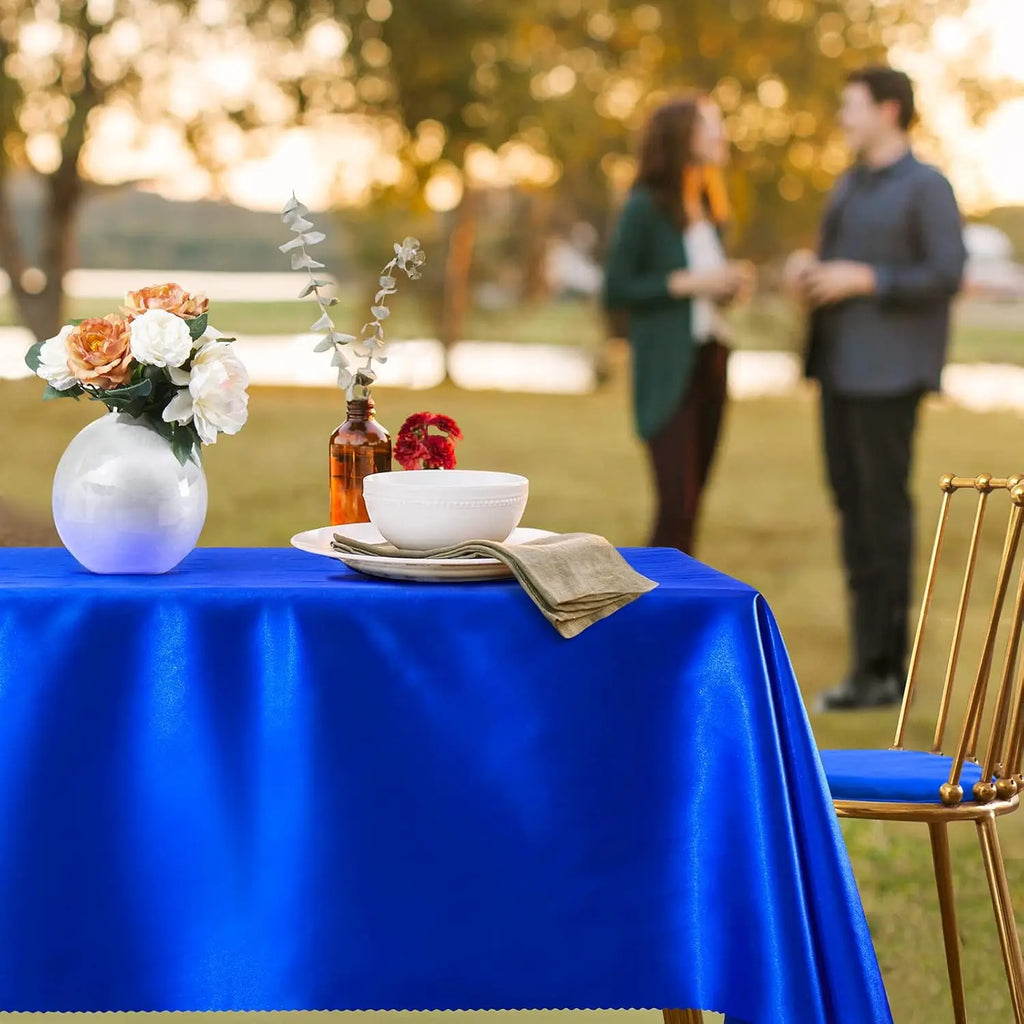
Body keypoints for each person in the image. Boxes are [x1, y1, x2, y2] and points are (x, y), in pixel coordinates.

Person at [785, 66, 967, 711]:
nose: (842, 117)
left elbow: (947, 272)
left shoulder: (928, 187)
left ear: (889, 111)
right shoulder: (849, 185)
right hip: (837, 370)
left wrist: (868, 279)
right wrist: (810, 270)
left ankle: (885, 670)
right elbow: (836, 265)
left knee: (883, 517)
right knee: (852, 512)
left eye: (851, 106)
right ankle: (868, 667)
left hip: (890, 377)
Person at [603, 95, 754, 555]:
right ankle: (655, 612)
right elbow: (617, 289)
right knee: (676, 506)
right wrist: (691, 282)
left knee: (693, 507)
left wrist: (726, 286)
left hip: (711, 359)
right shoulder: (644, 207)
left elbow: (700, 289)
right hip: (667, 370)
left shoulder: (710, 207)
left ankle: (684, 611)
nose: (720, 134)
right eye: (710, 125)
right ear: (681, 137)